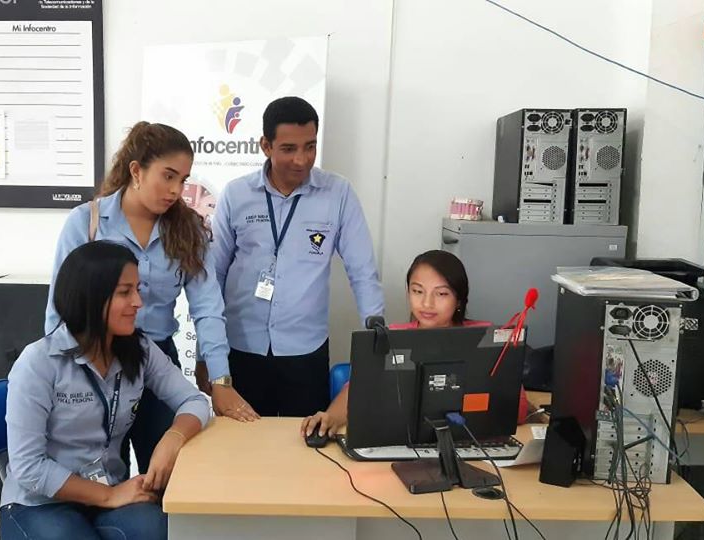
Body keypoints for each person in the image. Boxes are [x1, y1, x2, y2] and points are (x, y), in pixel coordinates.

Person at [46, 122, 257, 477]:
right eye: (168, 176)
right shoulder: (87, 222)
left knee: (167, 474)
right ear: (136, 171)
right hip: (93, 364)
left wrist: (221, 381)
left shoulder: (188, 230)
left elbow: (207, 308)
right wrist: (57, 374)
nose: (176, 190)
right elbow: (59, 307)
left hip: (155, 362)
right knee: (99, 474)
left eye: (183, 180)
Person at [1, 241, 210, 540]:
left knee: (159, 529)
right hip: (40, 502)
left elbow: (193, 400)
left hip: (110, 492)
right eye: (125, 292)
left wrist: (173, 438)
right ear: (90, 297)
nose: (138, 302)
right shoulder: (38, 362)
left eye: (137, 289)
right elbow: (28, 467)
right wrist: (108, 496)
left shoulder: (139, 349)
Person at [209, 96, 384, 417]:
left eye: (310, 147)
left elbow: (363, 273)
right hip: (242, 348)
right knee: (241, 443)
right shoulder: (236, 194)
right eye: (289, 149)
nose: (301, 160)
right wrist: (207, 356)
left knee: (304, 442)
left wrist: (376, 339)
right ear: (266, 145)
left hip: (305, 351)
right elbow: (213, 276)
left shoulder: (338, 194)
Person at [300, 249, 532, 438]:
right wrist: (331, 417)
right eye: (418, 291)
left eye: (441, 294)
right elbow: (358, 389)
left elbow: (517, 407)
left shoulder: (485, 337)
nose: (427, 303)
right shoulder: (392, 337)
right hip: (402, 442)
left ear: (459, 299)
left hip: (471, 442)